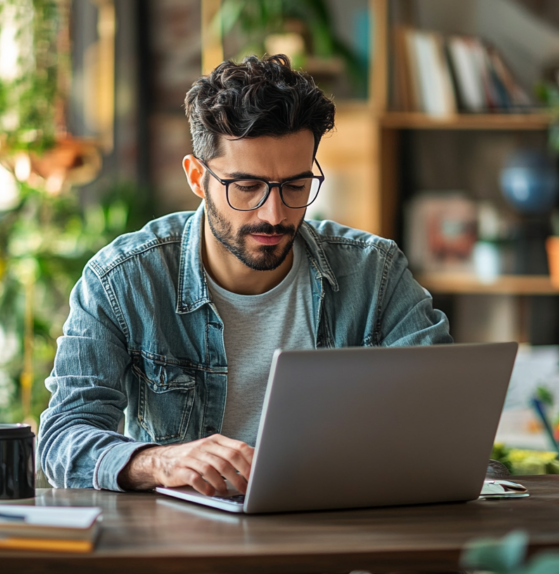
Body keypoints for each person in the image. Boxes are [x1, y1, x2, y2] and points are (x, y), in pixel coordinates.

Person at [39, 54, 451, 496]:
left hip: (338, 531)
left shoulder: (375, 273)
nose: (274, 215)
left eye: (295, 186)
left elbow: (443, 420)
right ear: (198, 178)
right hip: (186, 542)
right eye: (247, 187)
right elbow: (63, 438)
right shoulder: (123, 281)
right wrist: (160, 461)